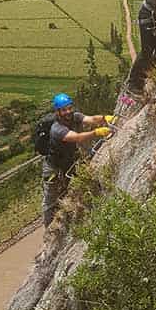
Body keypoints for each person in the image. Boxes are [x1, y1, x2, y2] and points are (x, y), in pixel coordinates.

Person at [41, 92, 114, 226]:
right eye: (64, 109)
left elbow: (91, 119)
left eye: (69, 108)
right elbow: (77, 137)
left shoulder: (75, 116)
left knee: (67, 190)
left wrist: (105, 118)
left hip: (68, 162)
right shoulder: (57, 129)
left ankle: (66, 217)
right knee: (50, 198)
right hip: (53, 167)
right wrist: (96, 133)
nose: (68, 111)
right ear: (58, 112)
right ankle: (49, 228)